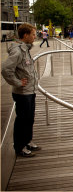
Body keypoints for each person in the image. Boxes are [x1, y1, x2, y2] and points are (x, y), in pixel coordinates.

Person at [1, 23, 41, 157]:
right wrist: (18, 83)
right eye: (33, 34)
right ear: (25, 35)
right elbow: (6, 69)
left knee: (29, 118)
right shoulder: (17, 51)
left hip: (30, 91)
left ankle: (27, 141)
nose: (35, 37)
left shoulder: (25, 49)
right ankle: (20, 147)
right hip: (23, 93)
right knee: (22, 120)